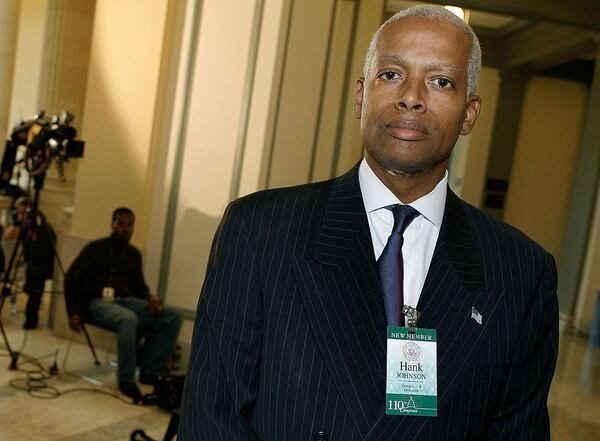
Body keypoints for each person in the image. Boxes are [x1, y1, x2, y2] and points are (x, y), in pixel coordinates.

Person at [179, 5, 558, 440]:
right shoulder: (259, 232)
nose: (411, 96)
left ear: (469, 114)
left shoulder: (521, 273)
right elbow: (212, 415)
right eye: (391, 74)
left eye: (440, 81)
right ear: (361, 97)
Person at [64, 207, 183, 403]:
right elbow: (72, 278)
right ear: (112, 225)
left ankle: (151, 372)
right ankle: (126, 380)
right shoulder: (95, 248)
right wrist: (73, 312)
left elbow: (138, 286)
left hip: (127, 301)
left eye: (129, 225)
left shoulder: (133, 254)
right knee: (129, 320)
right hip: (97, 303)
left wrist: (151, 298)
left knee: (173, 315)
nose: (125, 229)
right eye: (120, 224)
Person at [3, 196, 55, 330]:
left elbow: (43, 251)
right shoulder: (25, 227)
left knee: (34, 288)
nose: (20, 217)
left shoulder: (42, 227)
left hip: (41, 265)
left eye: (22, 213)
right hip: (31, 264)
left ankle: (31, 319)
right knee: (29, 284)